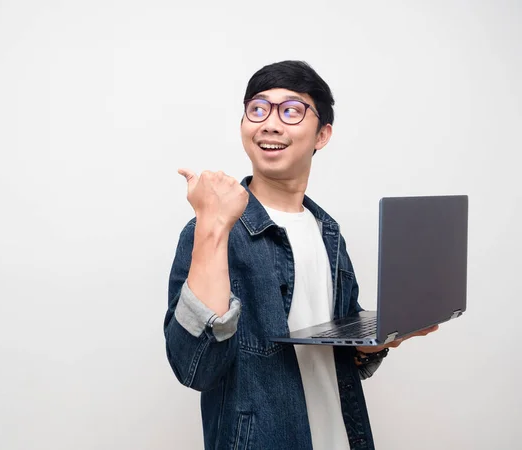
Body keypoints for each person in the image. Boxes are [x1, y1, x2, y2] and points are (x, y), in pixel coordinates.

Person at [163, 60, 437, 450]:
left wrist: (370, 343)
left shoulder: (329, 232)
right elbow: (195, 368)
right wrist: (212, 223)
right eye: (258, 109)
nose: (270, 124)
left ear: (321, 134)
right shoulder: (210, 231)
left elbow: (336, 355)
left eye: (291, 111)